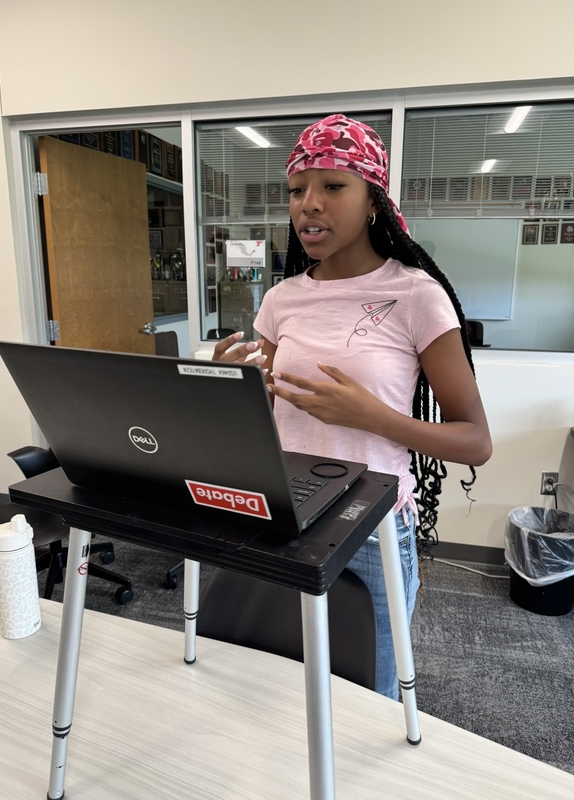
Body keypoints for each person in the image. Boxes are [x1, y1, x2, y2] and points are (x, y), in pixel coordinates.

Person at [212, 114, 492, 700]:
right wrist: (229, 391)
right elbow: (263, 412)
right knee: (267, 689)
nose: (309, 205)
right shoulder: (283, 299)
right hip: (280, 517)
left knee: (369, 706)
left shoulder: (416, 295)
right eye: (297, 190)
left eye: (333, 186)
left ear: (373, 201)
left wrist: (373, 418)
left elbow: (475, 441)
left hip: (369, 533)